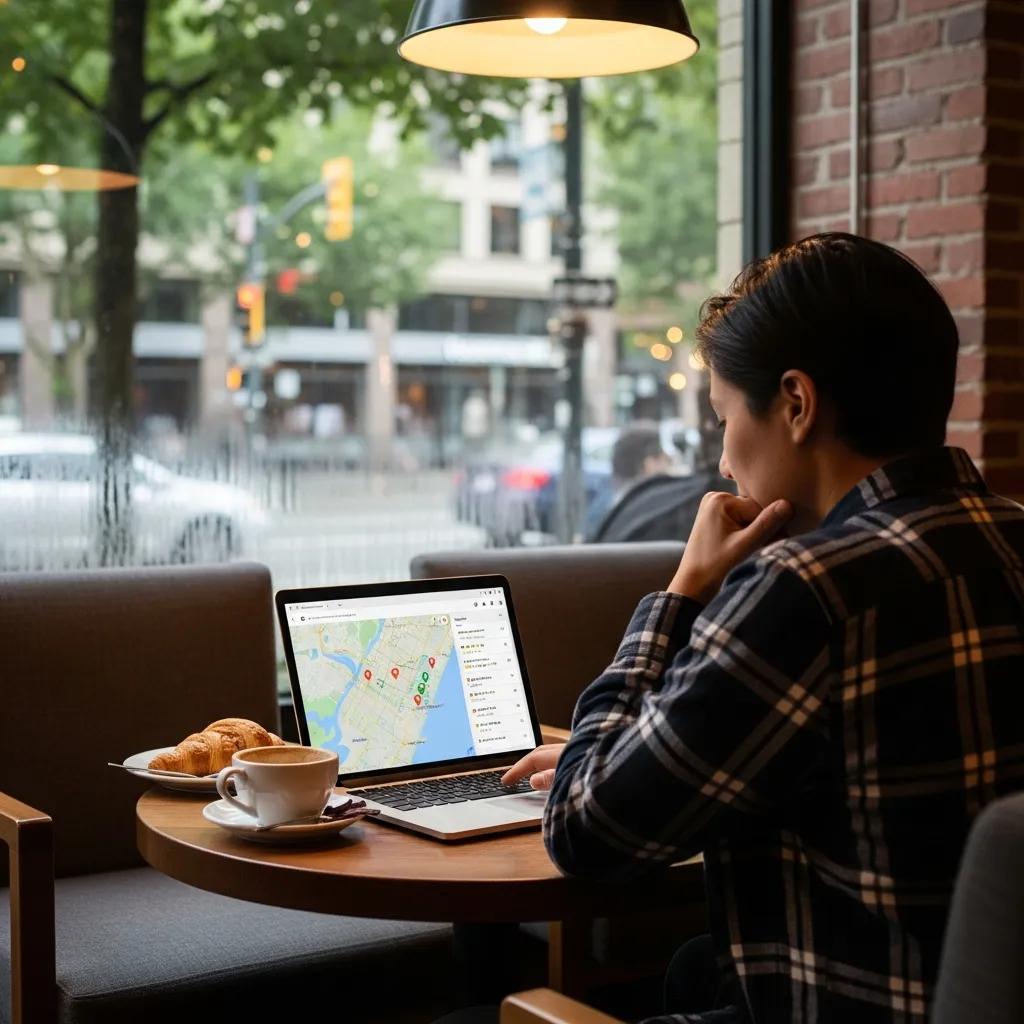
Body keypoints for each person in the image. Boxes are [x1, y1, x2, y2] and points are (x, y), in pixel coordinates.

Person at [502, 233, 1024, 1024]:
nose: (722, 461)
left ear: (796, 405)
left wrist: (682, 590)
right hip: (966, 988)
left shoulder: (807, 588)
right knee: (695, 968)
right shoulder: (1008, 534)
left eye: (722, 417)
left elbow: (586, 832)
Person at [584, 420, 675, 539]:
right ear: (650, 464)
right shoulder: (661, 512)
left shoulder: (601, 509)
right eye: (665, 460)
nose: (669, 466)